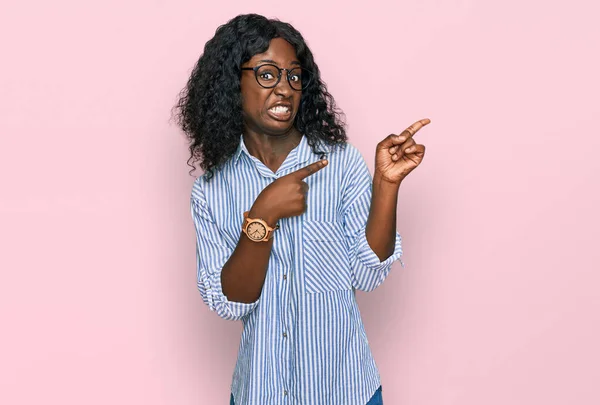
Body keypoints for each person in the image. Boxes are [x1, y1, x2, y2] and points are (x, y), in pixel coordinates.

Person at [174, 13, 429, 405]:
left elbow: (368, 274)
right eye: (267, 74)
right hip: (260, 392)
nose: (285, 89)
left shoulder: (340, 163)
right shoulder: (211, 192)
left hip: (346, 390)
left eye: (294, 77)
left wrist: (386, 185)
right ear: (231, 82)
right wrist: (262, 216)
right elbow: (230, 302)